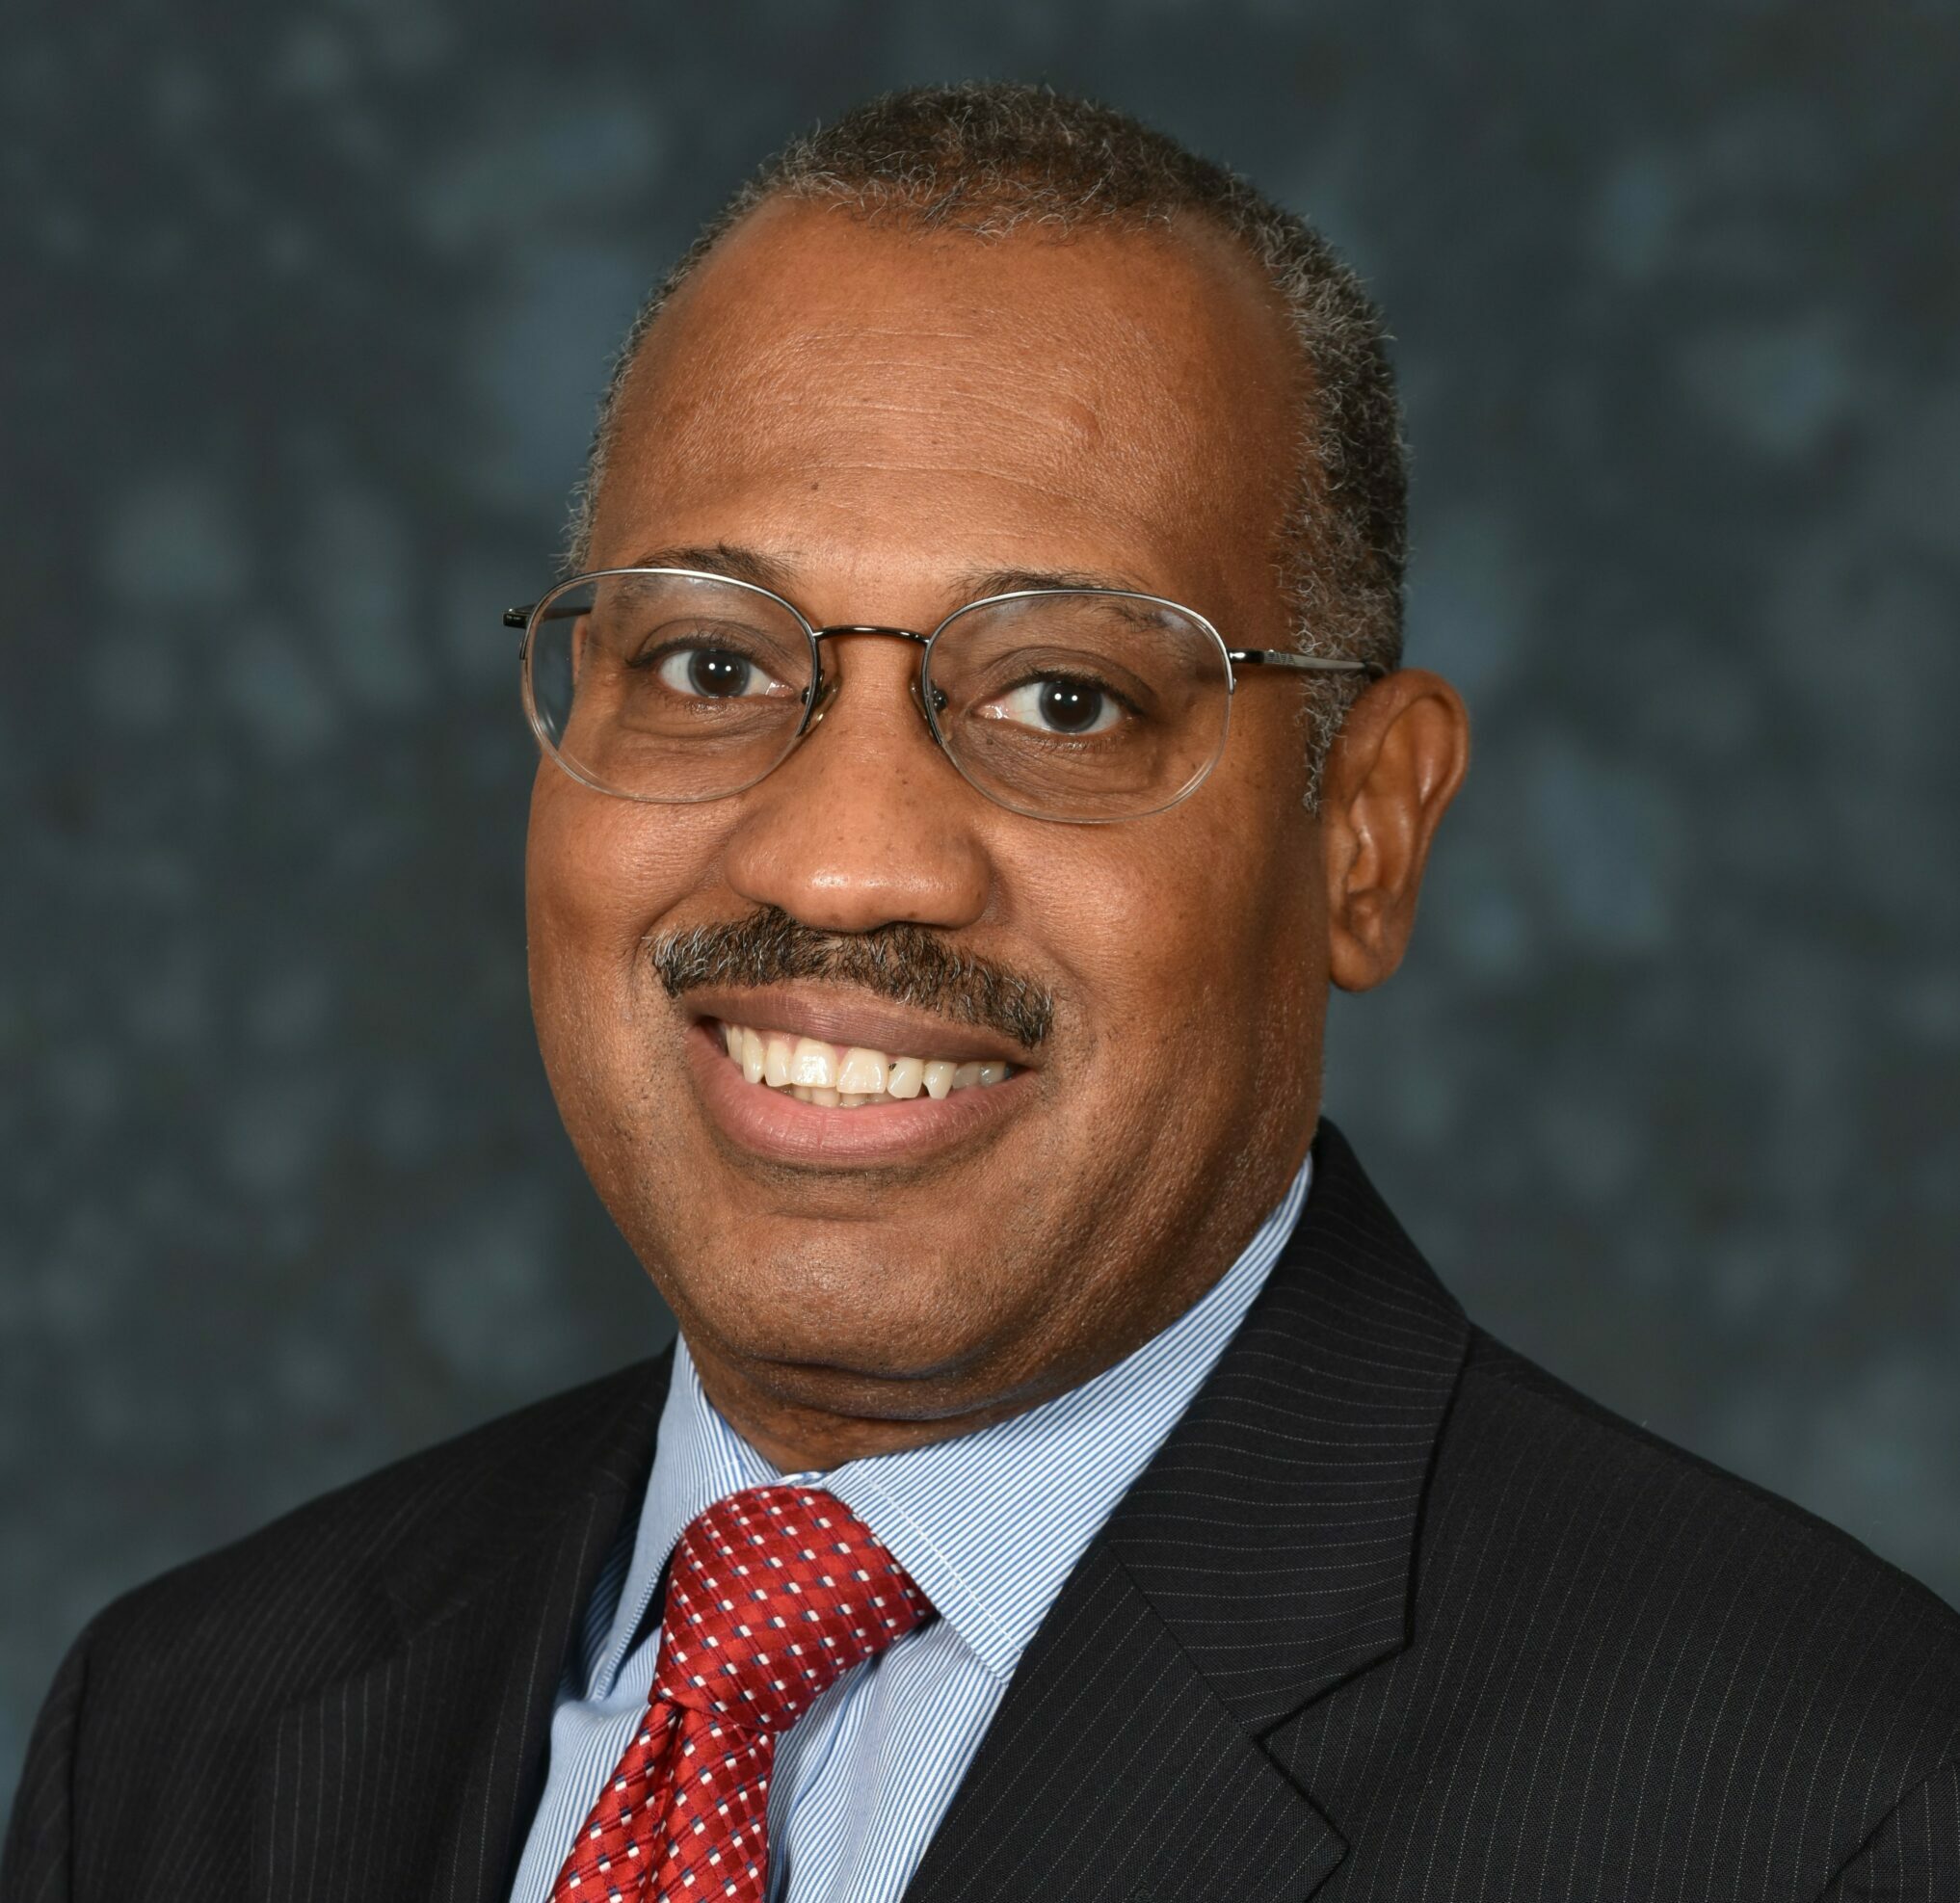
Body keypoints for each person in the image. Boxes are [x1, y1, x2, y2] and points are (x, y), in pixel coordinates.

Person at [6, 81, 1955, 1903]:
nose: (844, 860)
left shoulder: (1824, 1807)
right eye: (709, 664)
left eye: (1065, 698)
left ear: (1365, 828)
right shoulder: (188, 1740)